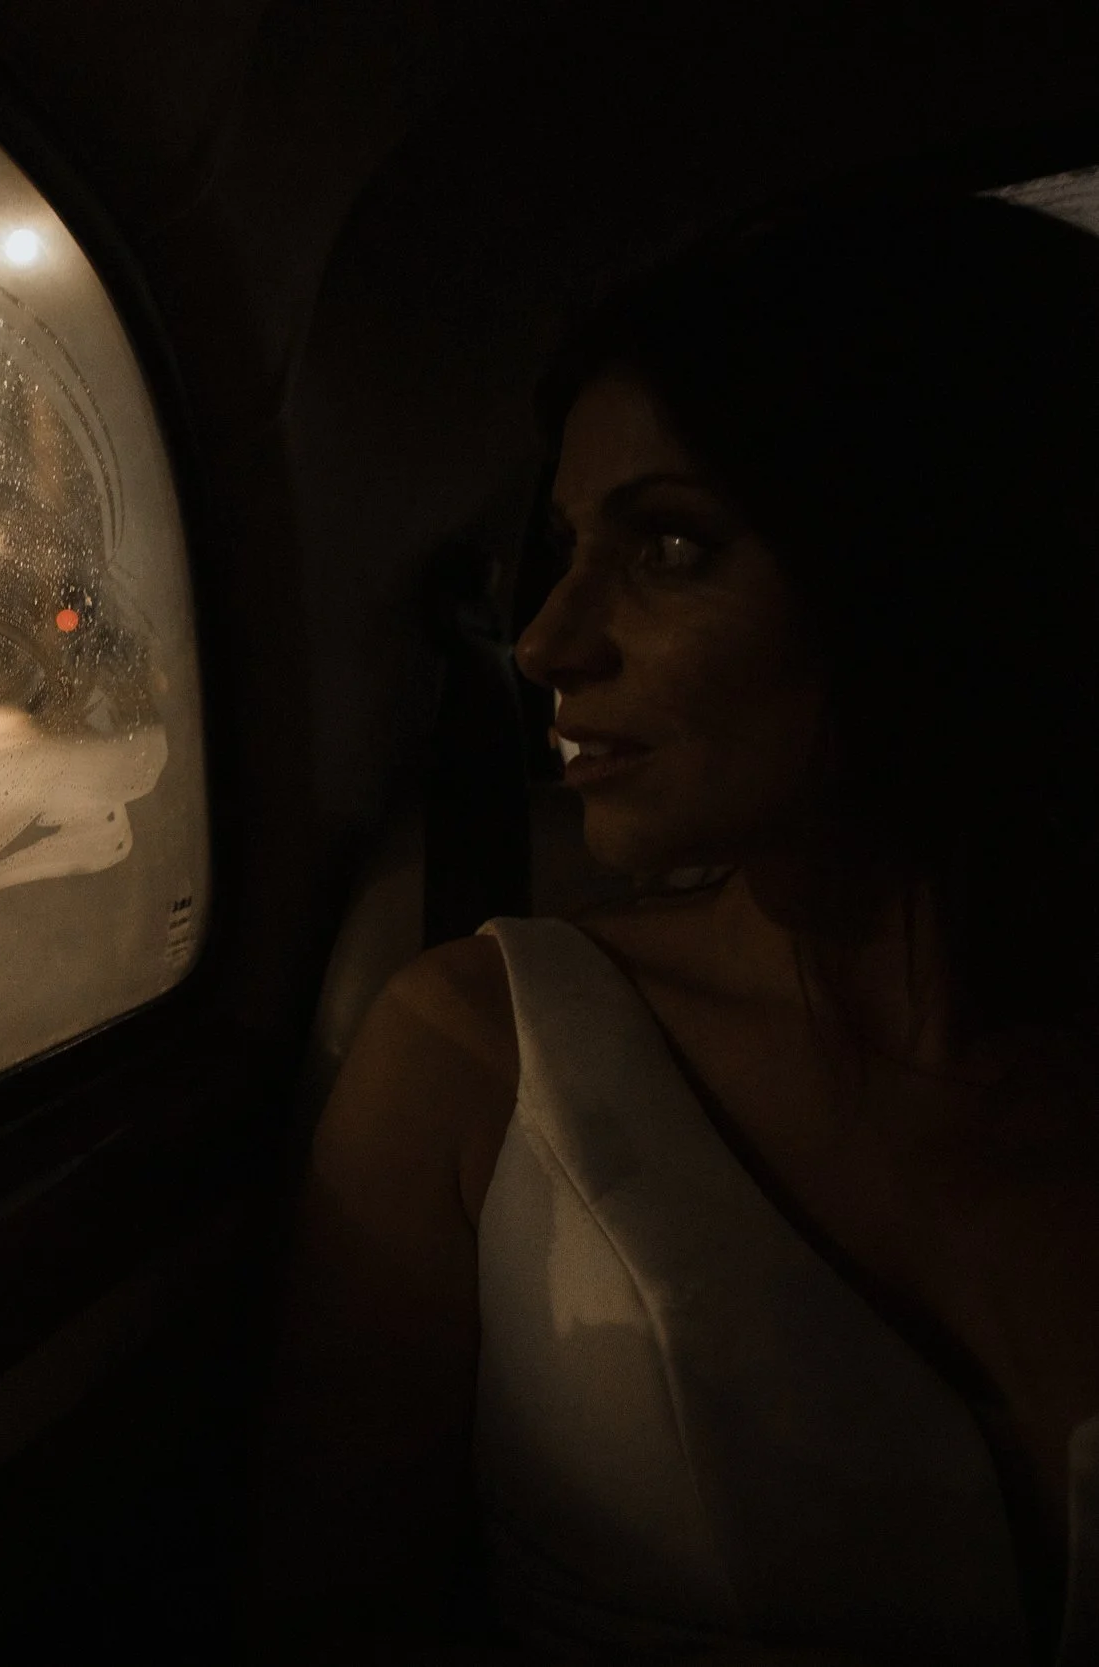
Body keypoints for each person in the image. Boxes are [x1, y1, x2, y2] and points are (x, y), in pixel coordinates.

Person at [262, 189, 1099, 1665]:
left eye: (670, 550)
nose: (545, 643)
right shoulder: (477, 1055)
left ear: (942, 561)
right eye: (568, 543)